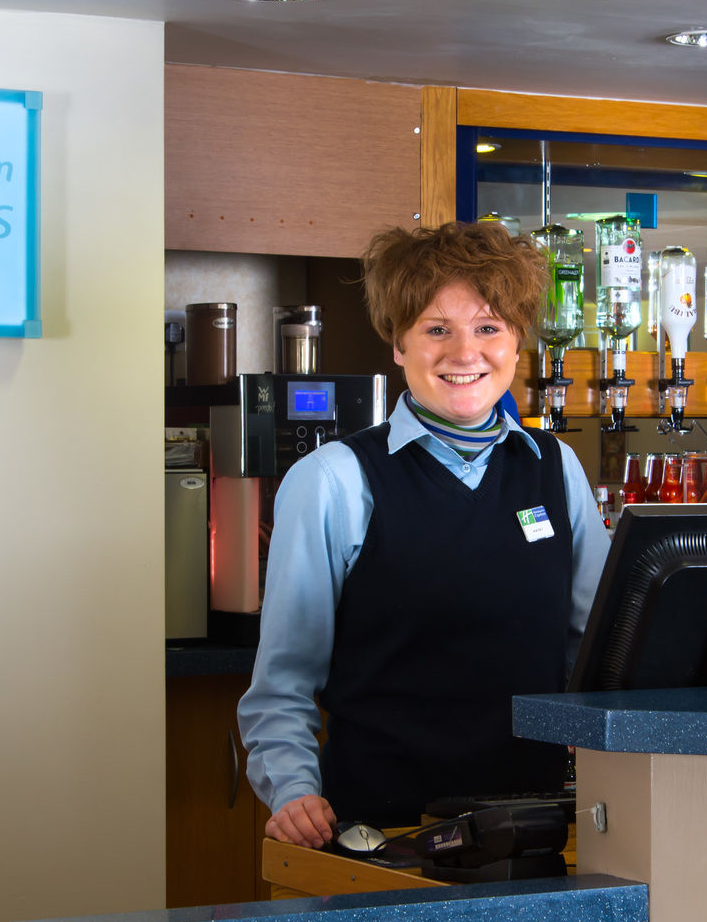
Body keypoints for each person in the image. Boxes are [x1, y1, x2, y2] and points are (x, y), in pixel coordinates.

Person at [237, 221, 610, 847]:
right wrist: (295, 792)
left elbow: (596, 650)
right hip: (384, 834)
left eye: (488, 328)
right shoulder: (333, 480)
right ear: (397, 342)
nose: (465, 353)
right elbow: (283, 684)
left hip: (541, 829)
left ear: (517, 340)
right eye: (437, 329)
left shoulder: (555, 466)